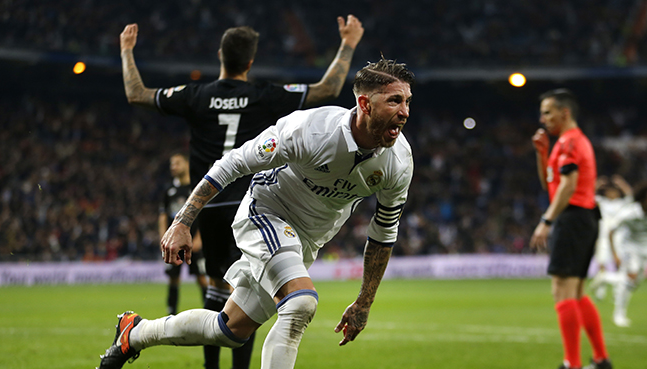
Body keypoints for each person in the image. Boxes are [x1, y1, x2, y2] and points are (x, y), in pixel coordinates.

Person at [97, 58, 415, 369]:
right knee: (300, 304)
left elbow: (384, 233)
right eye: (395, 101)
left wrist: (364, 302)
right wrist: (183, 221)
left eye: (407, 102)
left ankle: (135, 333)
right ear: (365, 103)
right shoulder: (310, 130)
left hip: (306, 241)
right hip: (266, 212)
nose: (404, 113)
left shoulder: (398, 162)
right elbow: (232, 164)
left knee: (229, 330)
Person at [119, 16, 363, 369]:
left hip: (207, 204)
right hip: (252, 205)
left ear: (220, 55)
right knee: (247, 300)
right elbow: (326, 89)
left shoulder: (195, 95)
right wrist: (348, 43)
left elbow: (136, 94)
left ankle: (208, 365)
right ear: (250, 62)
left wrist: (127, 51)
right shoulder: (263, 95)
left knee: (216, 294)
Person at [530, 89, 612, 369]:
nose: (543, 118)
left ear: (565, 113)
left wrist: (547, 220)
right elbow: (549, 184)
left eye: (548, 112)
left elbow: (568, 185)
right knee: (575, 293)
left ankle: (572, 364)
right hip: (584, 218)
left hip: (573, 218)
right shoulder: (567, 143)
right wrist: (542, 153)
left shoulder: (570, 142)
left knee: (561, 291)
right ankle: (600, 359)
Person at [159, 153, 208, 315]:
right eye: (172, 164)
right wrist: (163, 237)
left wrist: (200, 238)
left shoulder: (196, 188)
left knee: (202, 277)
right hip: (174, 241)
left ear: (187, 165)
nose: (173, 167)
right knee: (173, 278)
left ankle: (209, 311)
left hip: (194, 240)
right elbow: (163, 216)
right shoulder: (169, 190)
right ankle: (170, 313)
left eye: (177, 163)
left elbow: (203, 214)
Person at [605, 181, 647, 327]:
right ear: (643, 197)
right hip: (630, 247)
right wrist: (615, 255)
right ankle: (619, 314)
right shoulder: (630, 212)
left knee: (635, 282)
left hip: (646, 248)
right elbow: (611, 231)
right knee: (631, 276)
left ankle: (606, 278)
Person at [588, 175, 633, 300]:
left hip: (620, 237)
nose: (611, 193)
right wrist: (597, 184)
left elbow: (631, 196)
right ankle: (600, 291)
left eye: (614, 191)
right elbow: (589, 196)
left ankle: (617, 291)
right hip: (603, 236)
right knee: (602, 262)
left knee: (620, 263)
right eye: (609, 191)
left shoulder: (622, 204)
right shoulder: (603, 202)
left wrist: (622, 184)